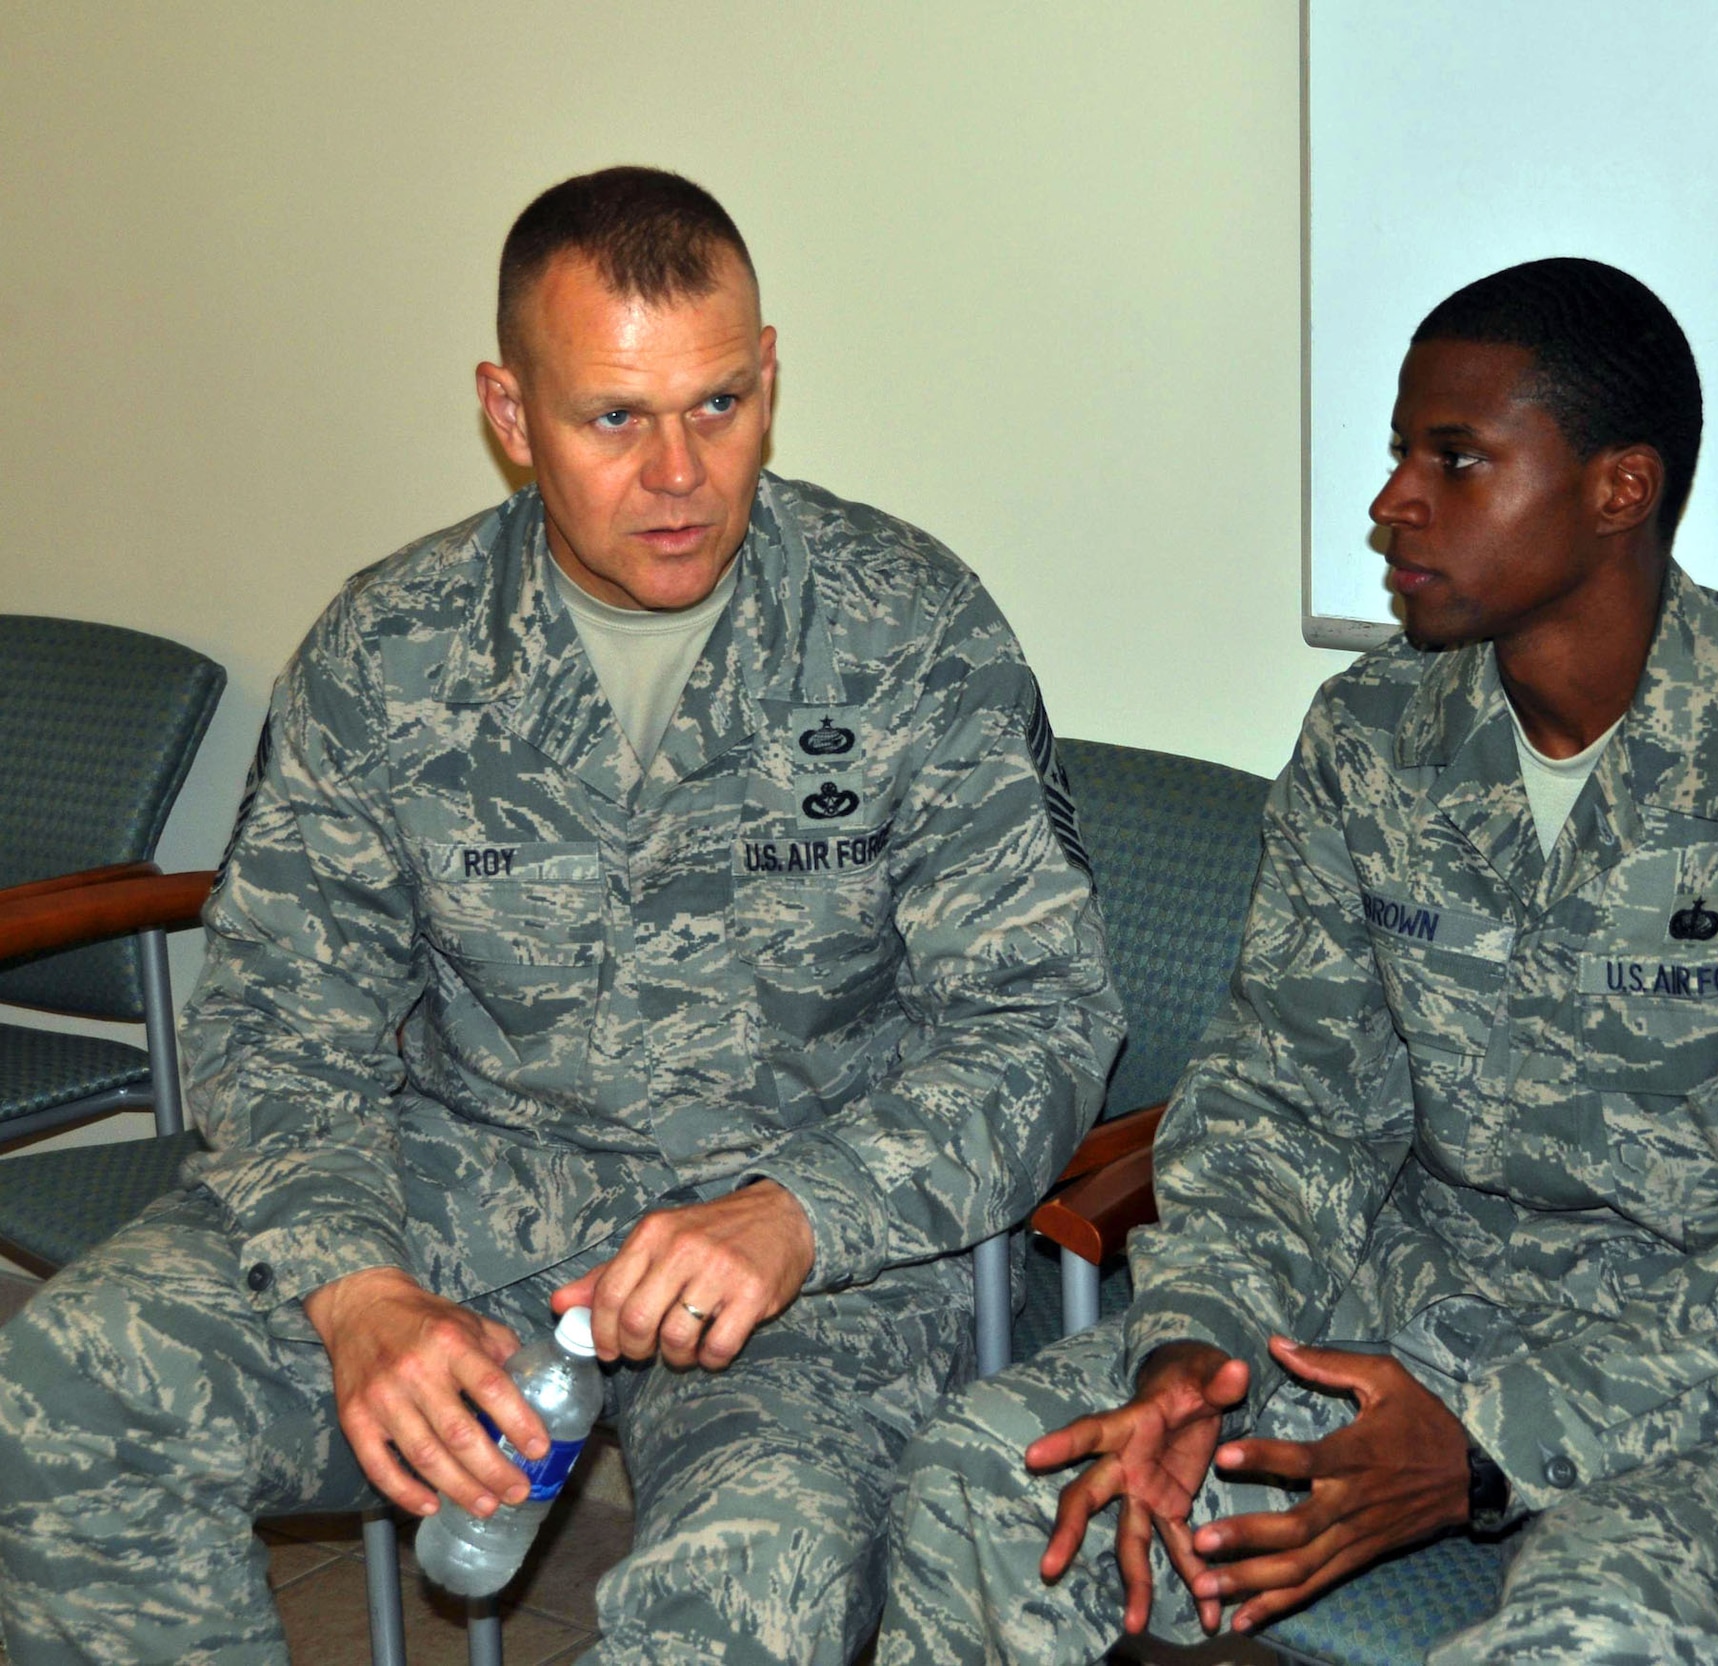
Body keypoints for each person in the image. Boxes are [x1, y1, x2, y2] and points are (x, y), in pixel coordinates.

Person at [0, 166, 1121, 1666]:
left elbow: (1045, 1015)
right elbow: (278, 1015)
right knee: (66, 1399)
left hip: (801, 1254)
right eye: (613, 418)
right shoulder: (387, 653)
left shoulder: (908, 629)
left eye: (719, 404)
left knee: (752, 1586)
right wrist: (359, 1286)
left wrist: (803, 1212)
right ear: (511, 413)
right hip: (455, 1193)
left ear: (770, 373)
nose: (679, 474)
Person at [878, 257, 1718, 1664]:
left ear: (1617, 489)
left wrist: (1489, 1439)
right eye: (1402, 452)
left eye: (1455, 460)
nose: (1393, 500)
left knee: (1592, 1638)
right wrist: (1192, 1350)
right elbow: (1289, 1099)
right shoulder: (1372, 739)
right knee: (991, 1477)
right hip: (1413, 1300)